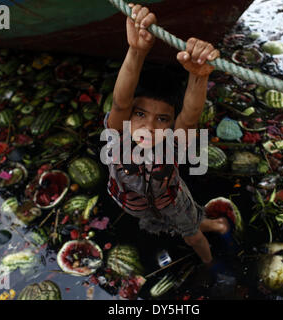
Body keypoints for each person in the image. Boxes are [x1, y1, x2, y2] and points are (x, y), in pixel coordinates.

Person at [102, 3, 235, 267]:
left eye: (162, 119)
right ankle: (208, 224)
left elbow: (189, 116)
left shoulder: (171, 146)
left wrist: (197, 78)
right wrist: (137, 51)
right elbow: (120, 101)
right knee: (153, 221)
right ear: (128, 116)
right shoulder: (118, 135)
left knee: (192, 237)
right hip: (133, 202)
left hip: (173, 201)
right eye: (140, 114)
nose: (149, 127)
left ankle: (212, 259)